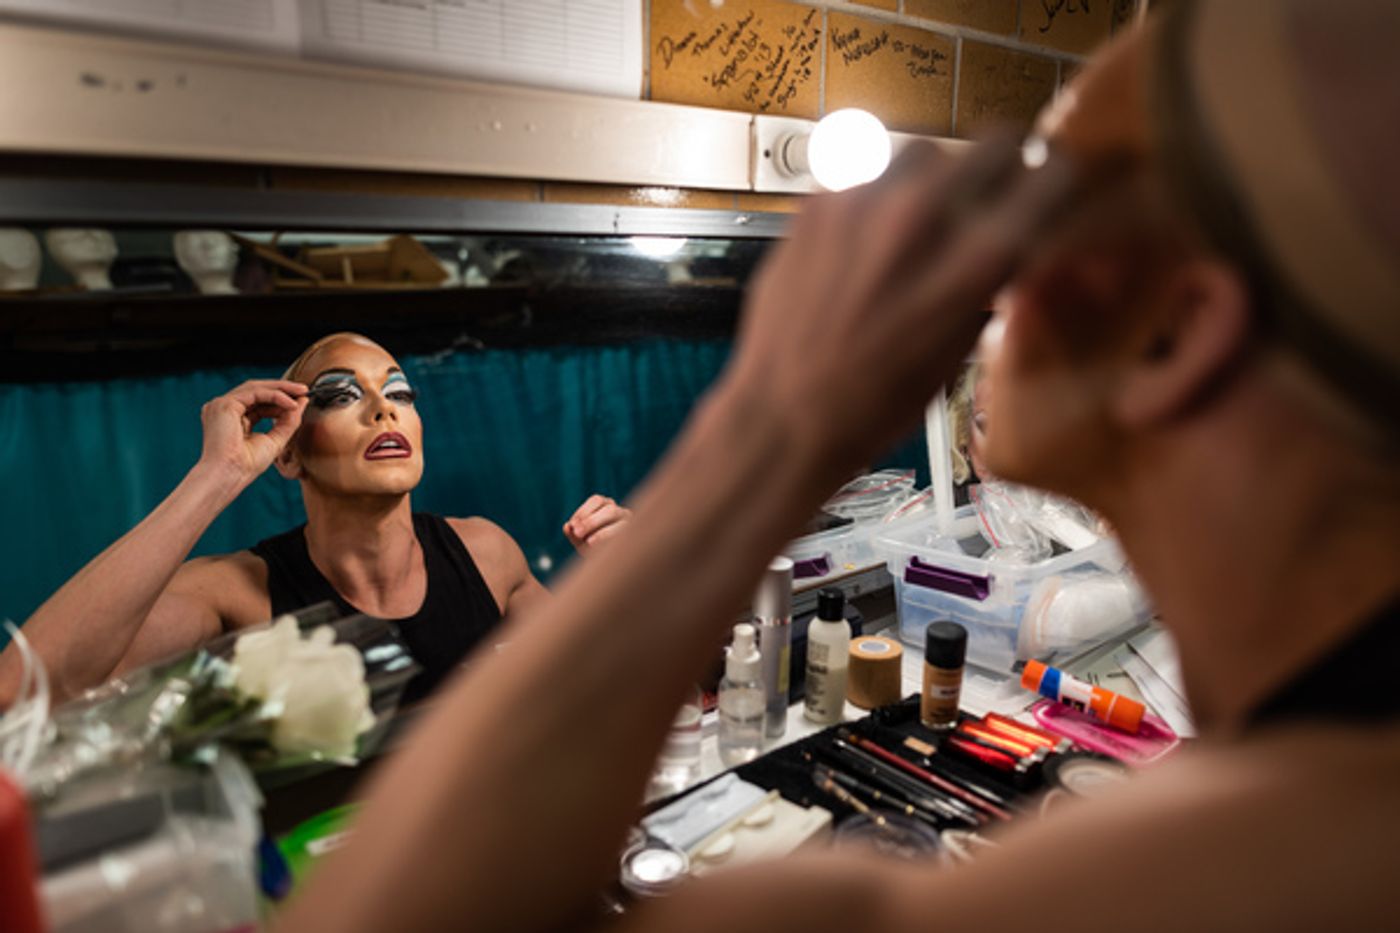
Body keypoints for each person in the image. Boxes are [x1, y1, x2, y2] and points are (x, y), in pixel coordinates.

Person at [270, 0, 1398, 929]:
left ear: (1175, 335)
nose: (996, 258)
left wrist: (772, 427)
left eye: (1047, 196)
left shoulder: (1205, 875)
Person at [0, 332, 630, 707]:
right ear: (289, 454)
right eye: (340, 395)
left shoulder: (486, 553)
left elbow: (604, 684)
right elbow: (23, 693)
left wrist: (634, 574)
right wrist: (217, 475)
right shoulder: (238, 595)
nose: (383, 409)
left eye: (399, 392)